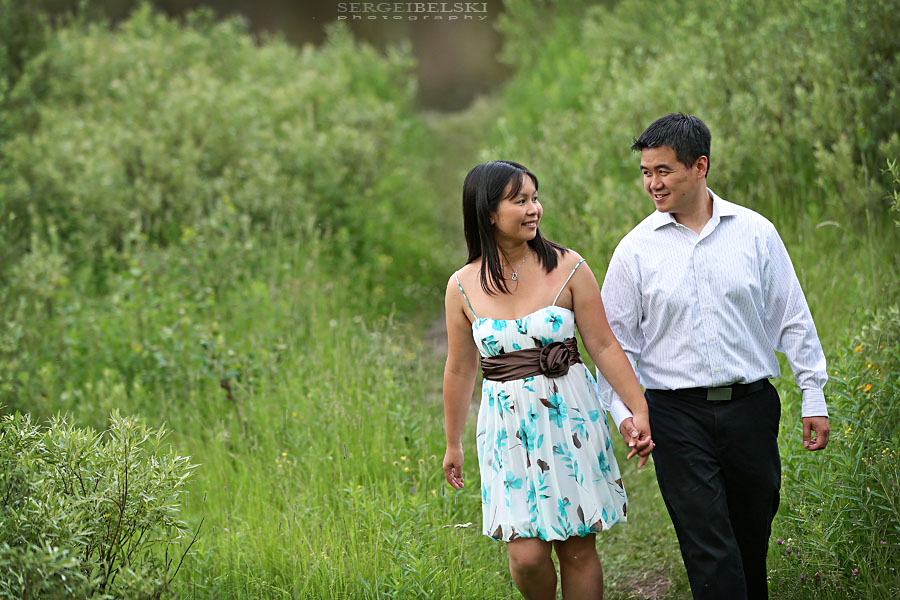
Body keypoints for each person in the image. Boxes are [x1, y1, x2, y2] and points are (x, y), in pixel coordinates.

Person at [596, 113, 830, 599]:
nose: (652, 184)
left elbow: (791, 316)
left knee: (751, 540)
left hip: (752, 408)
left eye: (663, 171)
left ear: (700, 166)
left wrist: (813, 394)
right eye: (645, 172)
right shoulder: (634, 251)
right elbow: (615, 348)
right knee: (710, 549)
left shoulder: (756, 233)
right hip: (675, 416)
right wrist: (624, 414)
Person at [441, 160, 653, 600]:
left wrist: (637, 407)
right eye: (520, 200)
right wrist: (453, 442)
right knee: (527, 556)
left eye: (535, 197)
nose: (534, 208)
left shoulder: (570, 267)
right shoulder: (462, 286)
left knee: (576, 550)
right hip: (507, 431)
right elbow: (460, 368)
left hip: (570, 421)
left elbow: (604, 345)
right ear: (488, 213)